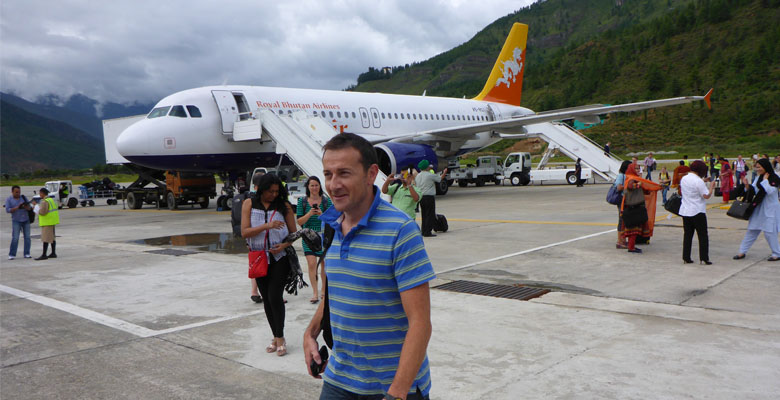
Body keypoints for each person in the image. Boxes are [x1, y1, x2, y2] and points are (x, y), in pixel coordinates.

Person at [303, 132, 435, 400]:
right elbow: (333, 294)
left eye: (344, 173)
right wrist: (310, 332)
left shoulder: (401, 230)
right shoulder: (331, 226)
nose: (333, 184)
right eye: (328, 174)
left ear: (371, 173)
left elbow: (420, 323)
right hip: (339, 379)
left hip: (393, 385)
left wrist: (396, 393)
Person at [241, 173, 297, 356]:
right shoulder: (249, 204)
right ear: (261, 189)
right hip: (259, 258)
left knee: (274, 296)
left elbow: (294, 233)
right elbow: (245, 232)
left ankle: (280, 338)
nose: (273, 195)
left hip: (279, 258)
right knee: (266, 298)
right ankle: (275, 336)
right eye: (270, 191)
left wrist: (284, 245)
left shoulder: (284, 206)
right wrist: (267, 226)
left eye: (276, 191)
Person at [733, 158, 780, 261]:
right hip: (758, 207)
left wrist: (765, 182)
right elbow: (753, 190)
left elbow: (770, 191)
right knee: (752, 230)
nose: (757, 169)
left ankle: (776, 253)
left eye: (759, 167)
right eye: (756, 167)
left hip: (770, 208)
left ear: (765, 167)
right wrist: (746, 186)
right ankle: (742, 252)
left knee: (769, 232)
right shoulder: (758, 178)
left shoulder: (774, 177)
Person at [296, 176, 332, 304]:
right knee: (312, 264)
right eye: (312, 185)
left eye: (317, 185)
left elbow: (332, 220)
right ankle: (315, 292)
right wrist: (310, 214)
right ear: (308, 187)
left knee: (324, 265)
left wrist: (321, 214)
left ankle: (323, 290)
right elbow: (299, 221)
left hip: (323, 236)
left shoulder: (327, 201)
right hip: (308, 236)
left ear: (320, 186)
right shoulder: (302, 202)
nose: (314, 188)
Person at [679, 161, 717, 265]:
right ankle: (704, 258)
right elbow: (706, 195)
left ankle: (686, 257)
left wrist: (704, 180)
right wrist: (711, 187)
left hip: (685, 210)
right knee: (702, 235)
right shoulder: (698, 181)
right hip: (697, 211)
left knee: (688, 235)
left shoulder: (684, 178)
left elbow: (693, 186)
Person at [621, 162, 662, 253]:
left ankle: (631, 246)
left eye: (638, 169)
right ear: (631, 169)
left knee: (635, 230)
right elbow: (631, 186)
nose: (637, 170)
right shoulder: (631, 179)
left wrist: (654, 188)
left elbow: (644, 190)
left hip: (636, 208)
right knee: (634, 230)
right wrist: (640, 183)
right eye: (635, 169)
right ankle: (631, 247)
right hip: (633, 208)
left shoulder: (634, 178)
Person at [414, 159, 447, 237]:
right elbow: (439, 179)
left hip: (421, 197)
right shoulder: (429, 175)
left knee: (424, 214)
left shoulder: (418, 176)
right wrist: (444, 172)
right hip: (429, 197)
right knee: (430, 214)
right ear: (426, 167)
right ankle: (428, 232)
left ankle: (423, 230)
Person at [5, 186, 32, 260]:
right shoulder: (9, 199)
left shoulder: (23, 197)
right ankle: (12, 254)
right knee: (15, 238)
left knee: (27, 237)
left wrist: (27, 207)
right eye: (16, 192)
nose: (18, 193)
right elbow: (7, 210)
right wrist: (17, 207)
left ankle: (27, 253)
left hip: (26, 219)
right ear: (12, 192)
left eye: (19, 192)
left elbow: (29, 207)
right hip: (16, 220)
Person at [35, 188, 59, 260]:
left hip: (47, 222)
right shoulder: (51, 200)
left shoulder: (44, 201)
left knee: (45, 238)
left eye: (40, 193)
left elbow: (43, 212)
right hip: (52, 221)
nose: (40, 195)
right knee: (52, 237)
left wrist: (36, 208)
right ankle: (53, 253)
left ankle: (44, 254)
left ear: (43, 193)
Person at [614, 160, 632, 249]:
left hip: (626, 200)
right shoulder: (621, 176)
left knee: (624, 220)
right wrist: (628, 187)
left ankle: (623, 240)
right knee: (621, 220)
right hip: (622, 200)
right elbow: (619, 187)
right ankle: (620, 241)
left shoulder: (627, 176)